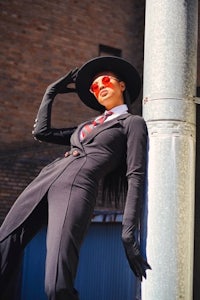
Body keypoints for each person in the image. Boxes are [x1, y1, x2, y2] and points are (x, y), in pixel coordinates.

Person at [0, 56, 151, 300]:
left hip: (76, 187)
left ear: (122, 85)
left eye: (104, 80)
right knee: (5, 244)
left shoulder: (131, 123)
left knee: (57, 284)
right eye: (93, 86)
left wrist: (128, 230)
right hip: (45, 178)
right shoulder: (87, 125)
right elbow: (42, 132)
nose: (99, 87)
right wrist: (51, 92)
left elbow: (136, 175)